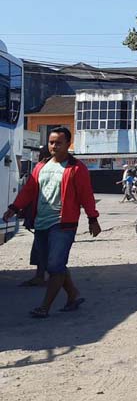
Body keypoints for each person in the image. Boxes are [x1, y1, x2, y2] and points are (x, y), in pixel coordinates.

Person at [3, 127, 101, 318]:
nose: (54, 146)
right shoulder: (41, 166)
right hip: (41, 222)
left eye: (58, 143)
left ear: (68, 144)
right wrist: (14, 208)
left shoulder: (76, 168)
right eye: (51, 142)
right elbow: (29, 190)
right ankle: (73, 295)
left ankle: (44, 307)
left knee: (55, 266)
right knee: (52, 265)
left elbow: (86, 195)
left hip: (63, 224)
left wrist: (93, 219)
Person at [18, 145, 52, 287]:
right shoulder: (43, 168)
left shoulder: (41, 168)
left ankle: (46, 277)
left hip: (46, 216)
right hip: (46, 216)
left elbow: (29, 191)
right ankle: (46, 276)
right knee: (45, 247)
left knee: (43, 248)